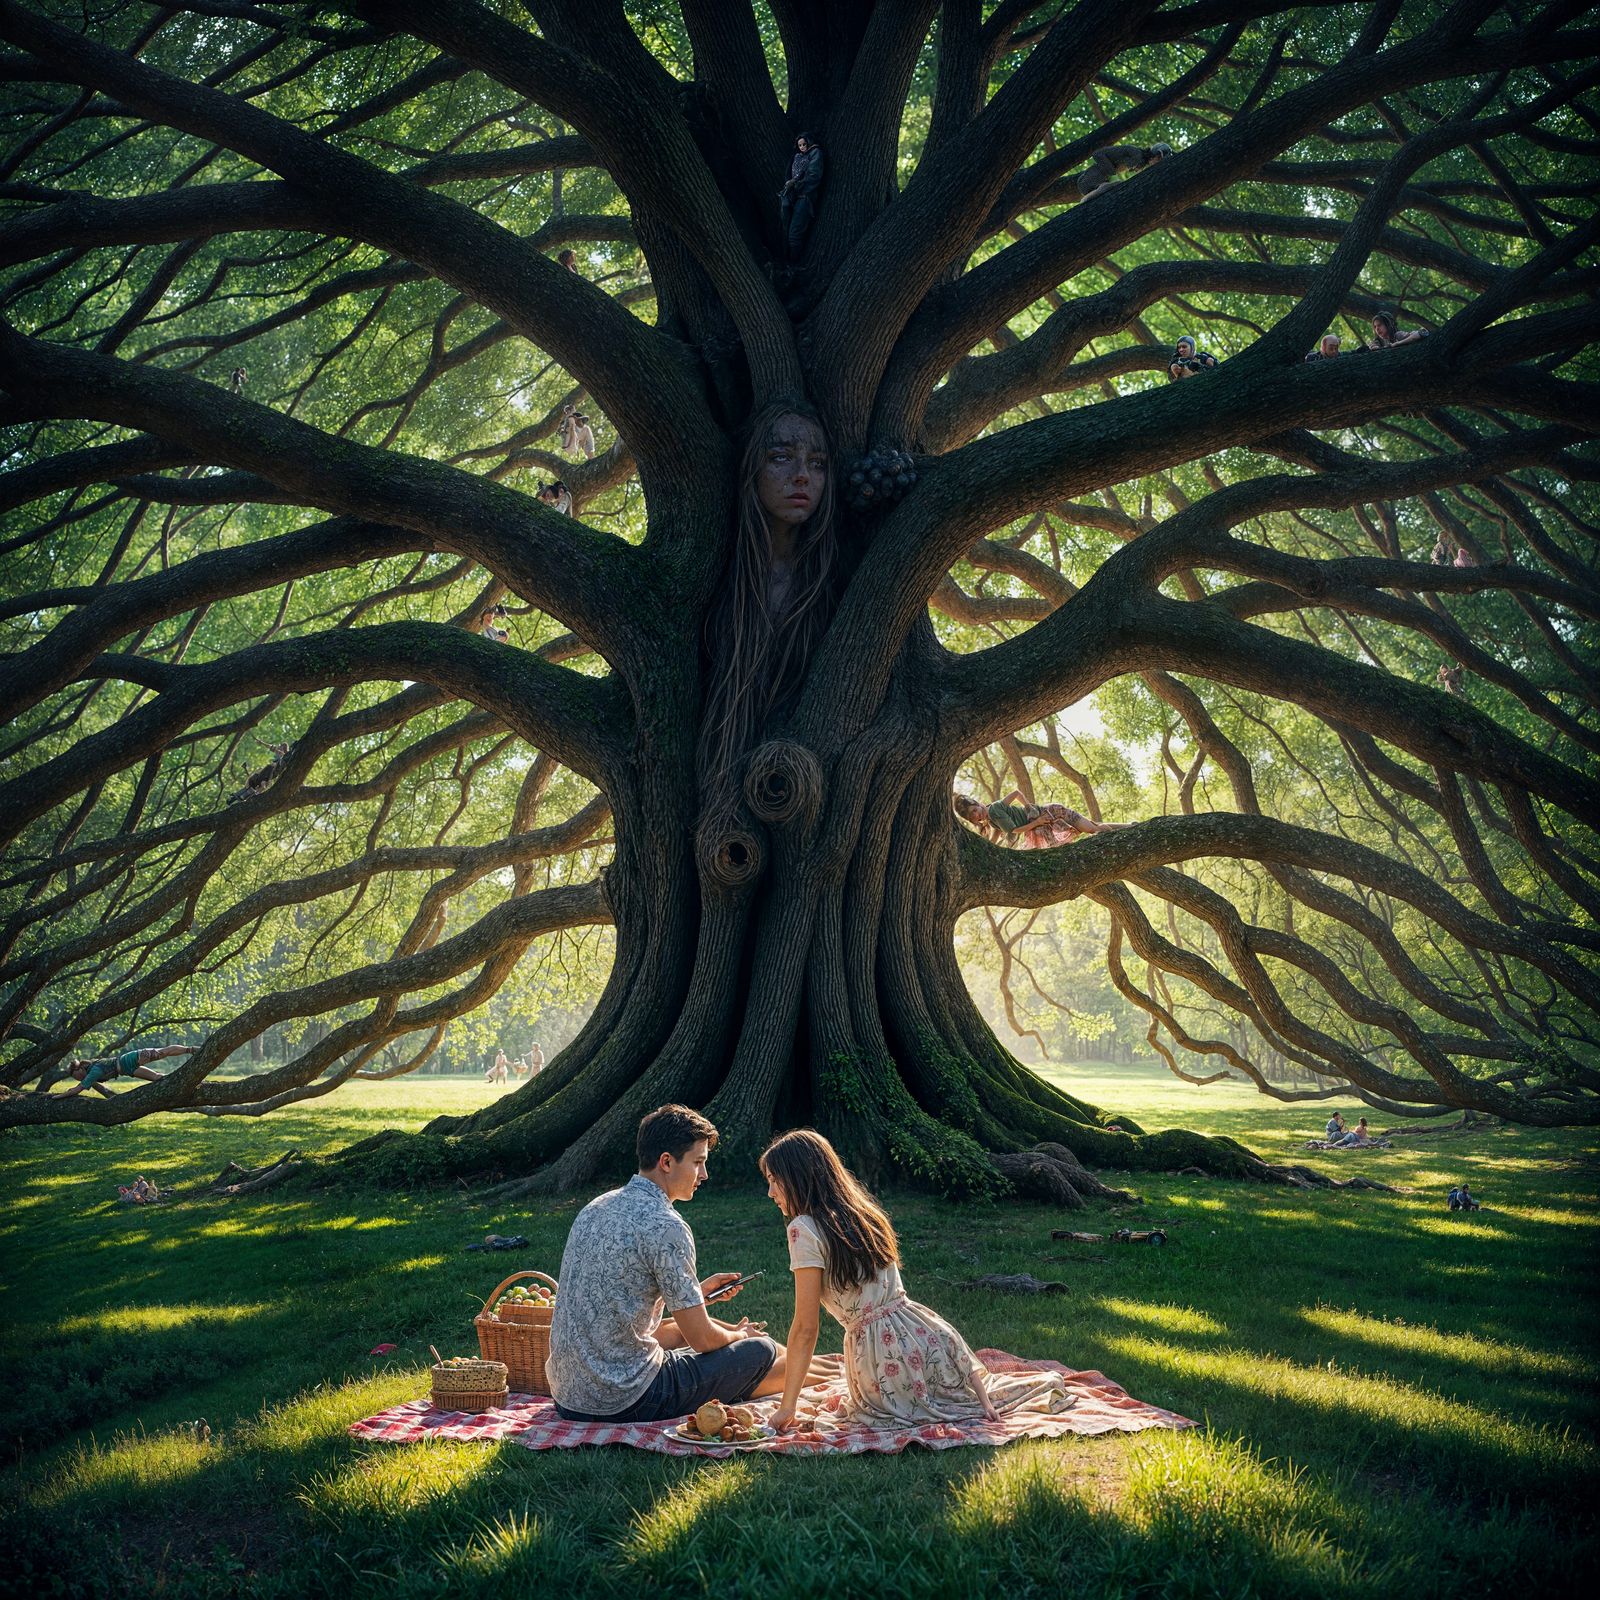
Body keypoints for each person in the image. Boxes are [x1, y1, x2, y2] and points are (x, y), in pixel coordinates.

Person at [760, 1129, 1075, 1431]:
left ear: (799, 1177)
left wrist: (788, 1407)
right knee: (962, 1398)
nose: (771, 1192)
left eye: (775, 1181)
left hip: (882, 1358)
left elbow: (805, 1328)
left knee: (907, 1407)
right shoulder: (863, 1212)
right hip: (929, 1338)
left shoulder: (802, 1229)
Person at [547, 1105, 832, 1423]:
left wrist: (694, 1293)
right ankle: (804, 1372)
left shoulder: (596, 1207)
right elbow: (703, 1340)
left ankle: (803, 1367)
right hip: (628, 1399)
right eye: (698, 1163)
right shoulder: (666, 1225)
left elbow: (624, 1316)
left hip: (568, 1395)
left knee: (699, 1344)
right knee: (760, 1350)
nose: (705, 1175)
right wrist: (741, 1337)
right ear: (666, 1162)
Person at [697, 400, 836, 822]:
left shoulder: (832, 580)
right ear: (750, 469)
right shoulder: (717, 573)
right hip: (720, 791)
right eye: (780, 458)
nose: (801, 476)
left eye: (817, 463)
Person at [56, 1044, 194, 1096]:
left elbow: (77, 1089)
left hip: (130, 1059)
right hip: (128, 1070)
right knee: (157, 1077)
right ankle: (185, 1078)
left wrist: (58, 1096)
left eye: (77, 1077)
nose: (79, 1079)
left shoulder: (94, 1071)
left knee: (163, 1052)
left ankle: (191, 1049)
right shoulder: (93, 1069)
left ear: (80, 1070)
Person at [779, 133, 824, 259]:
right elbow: (790, 173)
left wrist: (796, 184)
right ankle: (786, 260)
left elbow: (813, 176)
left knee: (794, 234)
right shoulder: (798, 156)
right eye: (800, 145)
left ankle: (793, 263)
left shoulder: (815, 153)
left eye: (804, 144)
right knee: (785, 230)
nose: (802, 147)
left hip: (804, 198)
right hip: (793, 196)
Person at [1077, 142, 1172, 198]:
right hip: (1088, 181)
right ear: (1155, 154)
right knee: (1115, 183)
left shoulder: (1140, 162)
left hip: (1092, 184)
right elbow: (1098, 154)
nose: (1158, 162)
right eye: (1159, 158)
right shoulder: (1137, 156)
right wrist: (1113, 176)